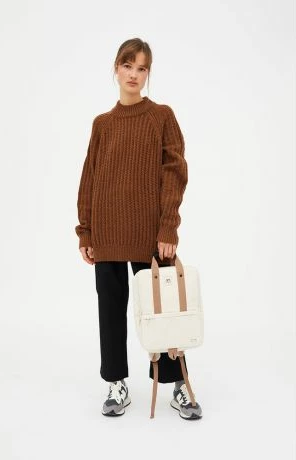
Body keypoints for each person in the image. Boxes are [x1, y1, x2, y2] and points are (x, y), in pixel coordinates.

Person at [75, 38, 203, 420]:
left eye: (142, 68)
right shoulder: (102, 124)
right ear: (116, 68)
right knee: (110, 311)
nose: (134, 74)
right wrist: (86, 232)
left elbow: (175, 172)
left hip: (151, 235)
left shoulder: (161, 116)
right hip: (107, 232)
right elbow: (89, 179)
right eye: (127, 65)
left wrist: (168, 227)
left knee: (164, 309)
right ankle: (116, 382)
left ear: (148, 74)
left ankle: (177, 384)